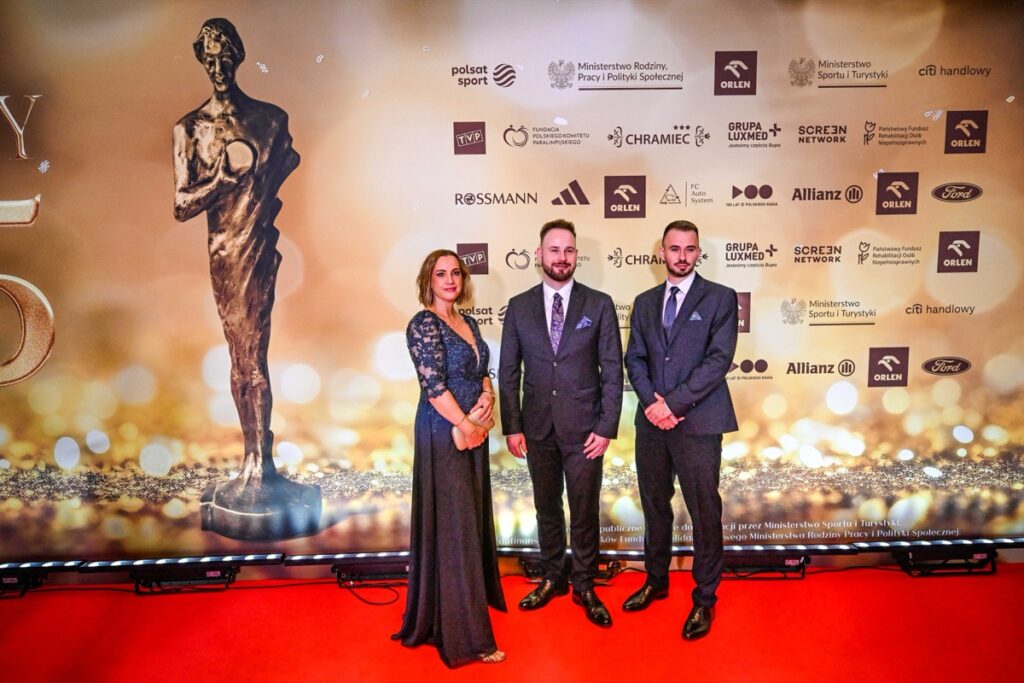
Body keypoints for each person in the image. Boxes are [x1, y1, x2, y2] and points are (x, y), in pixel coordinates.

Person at [173, 18, 318, 539]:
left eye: (225, 58)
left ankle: (260, 464)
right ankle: (255, 461)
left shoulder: (270, 120)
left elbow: (286, 162)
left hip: (258, 248)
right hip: (224, 254)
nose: (217, 68)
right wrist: (222, 178)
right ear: (201, 60)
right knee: (240, 357)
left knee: (252, 355)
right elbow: (181, 204)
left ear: (237, 57)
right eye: (209, 59)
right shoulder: (190, 128)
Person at [499, 219, 623, 627]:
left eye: (568, 250)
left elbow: (612, 370)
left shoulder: (599, 304)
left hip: (586, 430)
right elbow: (509, 371)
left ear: (576, 256)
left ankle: (584, 583)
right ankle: (553, 576)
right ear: (539, 254)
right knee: (546, 508)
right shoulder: (519, 307)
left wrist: (605, 427)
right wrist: (512, 426)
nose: (561, 257)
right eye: (554, 250)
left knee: (584, 511)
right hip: (537, 428)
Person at [622, 220, 738, 640]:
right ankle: (656, 580)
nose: (682, 256)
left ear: (698, 252)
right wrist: (653, 406)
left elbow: (718, 360)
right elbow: (634, 358)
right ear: (662, 253)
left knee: (704, 511)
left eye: (690, 249)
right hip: (653, 424)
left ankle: (704, 598)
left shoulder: (721, 298)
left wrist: (671, 405)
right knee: (655, 504)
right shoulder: (644, 302)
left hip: (699, 422)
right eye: (675, 249)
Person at [394, 249, 507, 667]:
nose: (450, 280)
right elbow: (434, 387)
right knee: (455, 529)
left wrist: (488, 397)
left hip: (471, 429)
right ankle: (469, 638)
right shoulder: (423, 325)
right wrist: (466, 424)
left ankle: (447, 615)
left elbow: (481, 372)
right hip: (443, 432)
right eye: (441, 274)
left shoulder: (469, 322)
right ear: (428, 280)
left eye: (455, 273)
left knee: (466, 525)